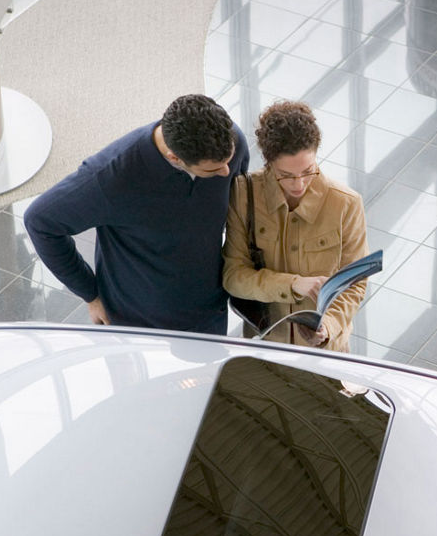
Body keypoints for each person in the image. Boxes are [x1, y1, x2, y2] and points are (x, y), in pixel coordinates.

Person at [24, 94, 250, 334]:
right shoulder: (111, 176)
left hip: (209, 310)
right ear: (175, 158)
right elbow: (40, 222)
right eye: (214, 169)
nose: (227, 171)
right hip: (139, 321)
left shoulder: (231, 144)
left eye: (228, 160)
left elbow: (237, 210)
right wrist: (89, 294)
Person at [223, 100, 369, 351]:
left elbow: (355, 285)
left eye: (308, 171)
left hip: (326, 351)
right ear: (269, 162)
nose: (299, 184)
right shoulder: (244, 194)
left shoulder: (346, 204)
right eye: (286, 175)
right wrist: (292, 284)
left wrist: (329, 327)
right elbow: (233, 277)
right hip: (268, 348)